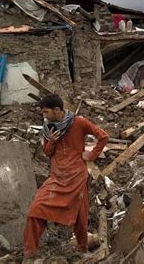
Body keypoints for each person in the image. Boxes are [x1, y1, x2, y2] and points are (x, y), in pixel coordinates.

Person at [23, 94, 109, 258]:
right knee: (35, 210)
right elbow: (48, 153)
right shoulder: (49, 128)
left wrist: (91, 156)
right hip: (56, 177)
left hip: (77, 177)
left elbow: (103, 137)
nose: (44, 116)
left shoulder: (79, 122)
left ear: (57, 110)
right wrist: (52, 141)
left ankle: (82, 249)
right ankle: (29, 252)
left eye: (46, 112)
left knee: (80, 216)